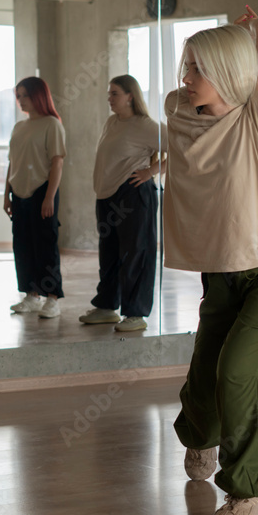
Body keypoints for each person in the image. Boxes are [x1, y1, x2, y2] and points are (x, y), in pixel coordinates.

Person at [165, 7, 258, 515]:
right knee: (205, 376)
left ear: (227, 73)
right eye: (186, 66)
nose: (186, 78)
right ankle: (201, 435)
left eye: (197, 69)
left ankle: (249, 496)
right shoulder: (178, 110)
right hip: (221, 272)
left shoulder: (257, 122)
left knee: (238, 373)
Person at [79, 75, 164, 333]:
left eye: (114, 93)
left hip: (133, 193)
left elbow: (183, 148)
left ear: (130, 96)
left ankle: (135, 313)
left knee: (136, 253)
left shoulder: (146, 125)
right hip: (107, 195)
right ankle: (107, 307)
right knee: (109, 253)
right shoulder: (111, 122)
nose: (109, 98)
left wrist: (151, 172)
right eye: (109, 93)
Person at [4, 77, 66, 319]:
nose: (21, 100)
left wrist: (49, 197)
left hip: (42, 191)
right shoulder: (19, 127)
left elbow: (57, 163)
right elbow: (12, 163)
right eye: (18, 96)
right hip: (18, 193)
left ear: (38, 96)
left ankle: (52, 298)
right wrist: (6, 195)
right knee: (22, 246)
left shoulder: (52, 124)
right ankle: (31, 295)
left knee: (45, 246)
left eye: (25, 95)